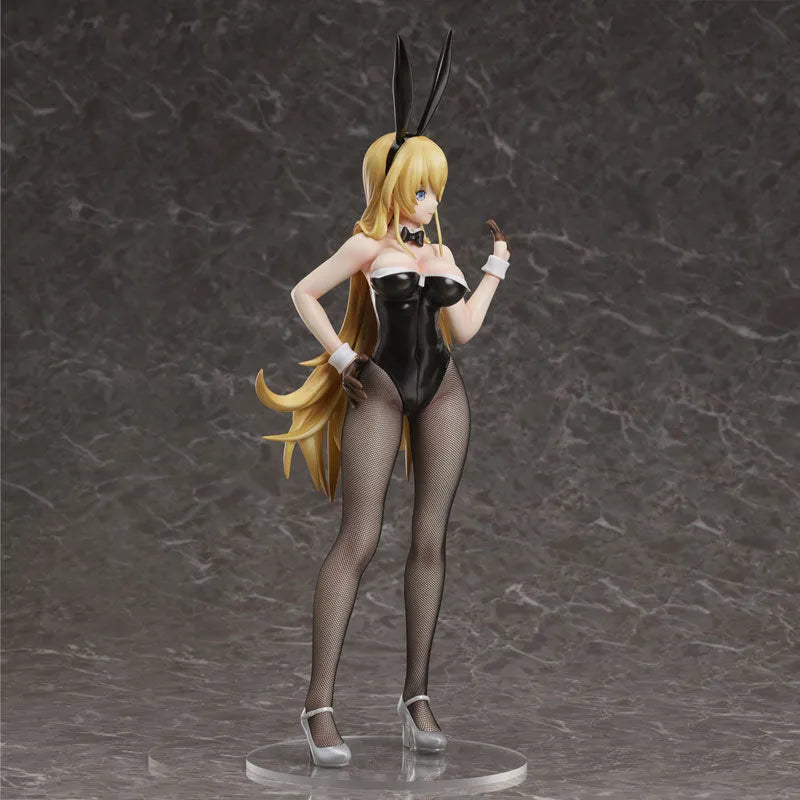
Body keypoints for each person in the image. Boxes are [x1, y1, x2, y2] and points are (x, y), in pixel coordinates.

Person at [255, 30, 511, 767]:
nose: (430, 201)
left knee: (431, 541)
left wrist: (493, 269)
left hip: (443, 391)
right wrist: (342, 358)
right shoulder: (369, 248)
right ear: (391, 185)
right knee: (358, 541)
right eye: (420, 188)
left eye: (435, 190)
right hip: (382, 388)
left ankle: (416, 697)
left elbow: (463, 329)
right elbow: (303, 292)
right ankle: (318, 705)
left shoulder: (441, 253)